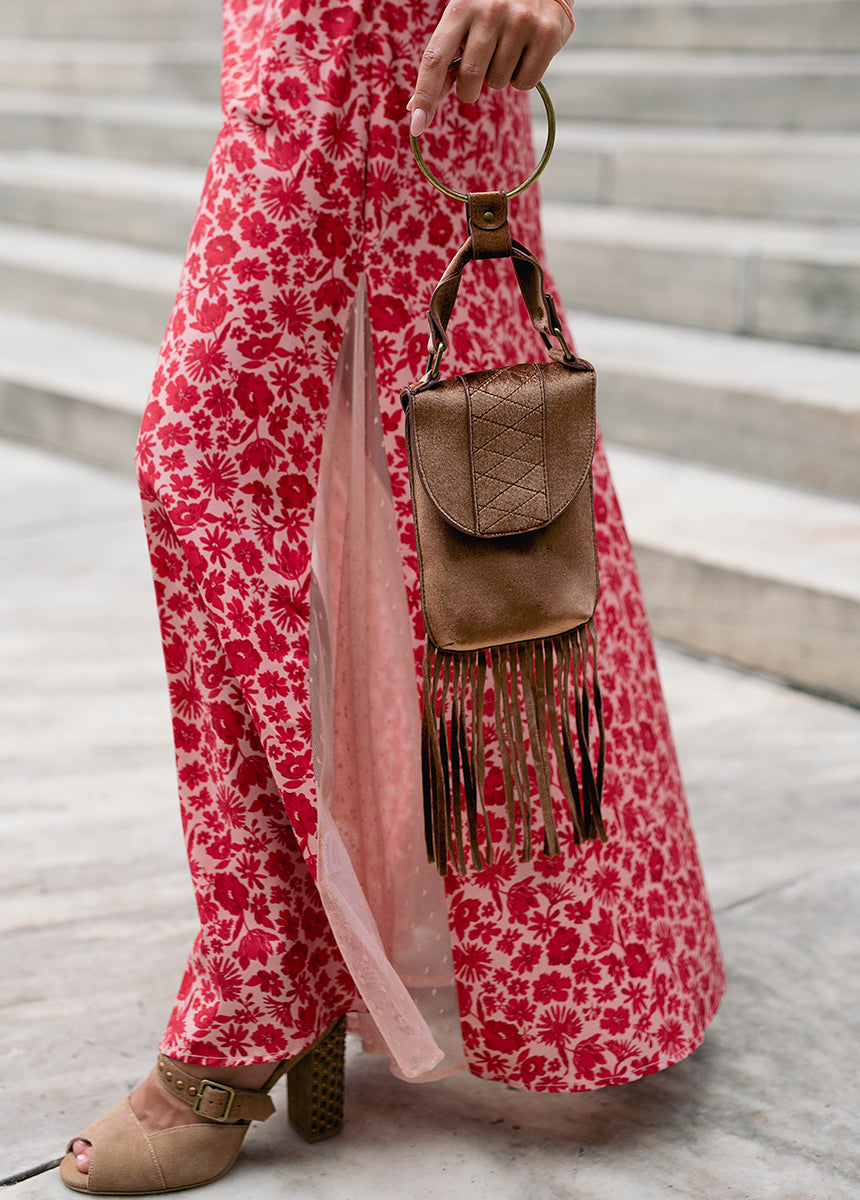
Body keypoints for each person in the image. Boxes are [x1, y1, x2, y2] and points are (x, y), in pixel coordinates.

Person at [60, 0, 726, 1192]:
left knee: (448, 469)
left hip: (413, 52)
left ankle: (269, 984)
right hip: (296, 45)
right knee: (439, 462)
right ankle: (312, 949)